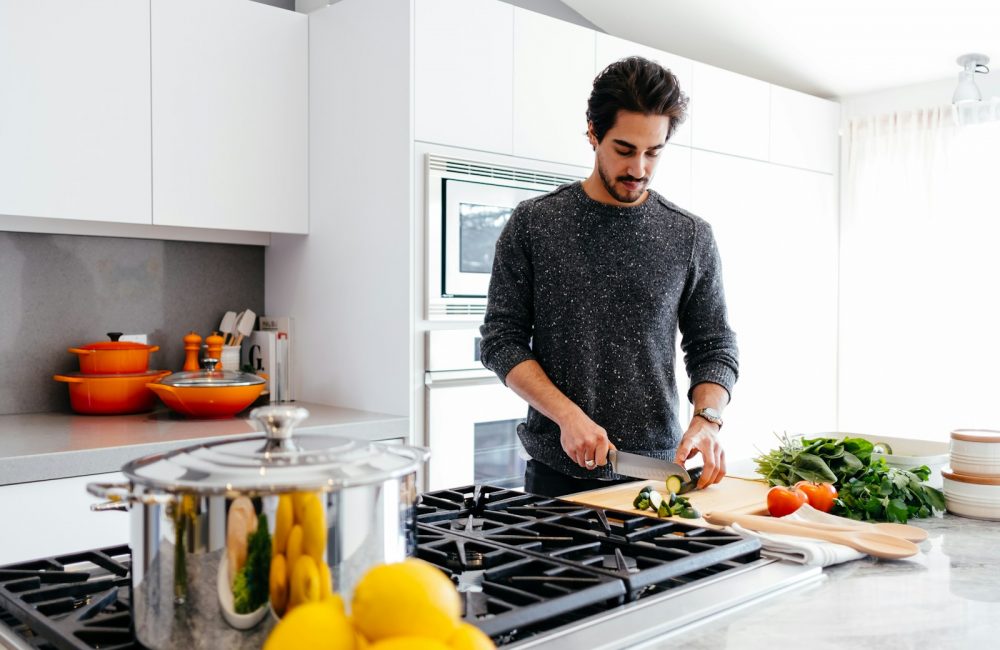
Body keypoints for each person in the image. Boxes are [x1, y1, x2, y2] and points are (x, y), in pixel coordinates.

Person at [479, 56, 739, 498]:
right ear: (593, 133)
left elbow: (714, 344)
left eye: (653, 152)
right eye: (624, 149)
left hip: (658, 474)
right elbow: (501, 341)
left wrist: (707, 418)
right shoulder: (535, 223)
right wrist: (567, 416)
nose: (639, 168)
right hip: (556, 477)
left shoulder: (690, 235)